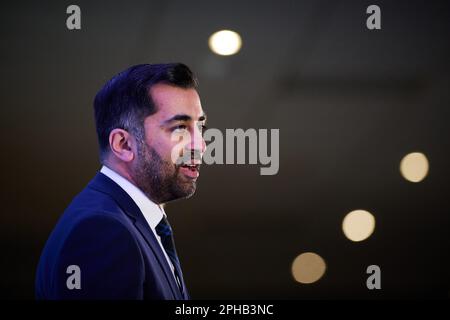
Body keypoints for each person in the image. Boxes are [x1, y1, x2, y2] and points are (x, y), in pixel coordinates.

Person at [35, 63, 207, 300]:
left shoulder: (121, 221)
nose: (200, 145)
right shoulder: (102, 230)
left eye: (200, 127)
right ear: (124, 145)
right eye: (180, 128)